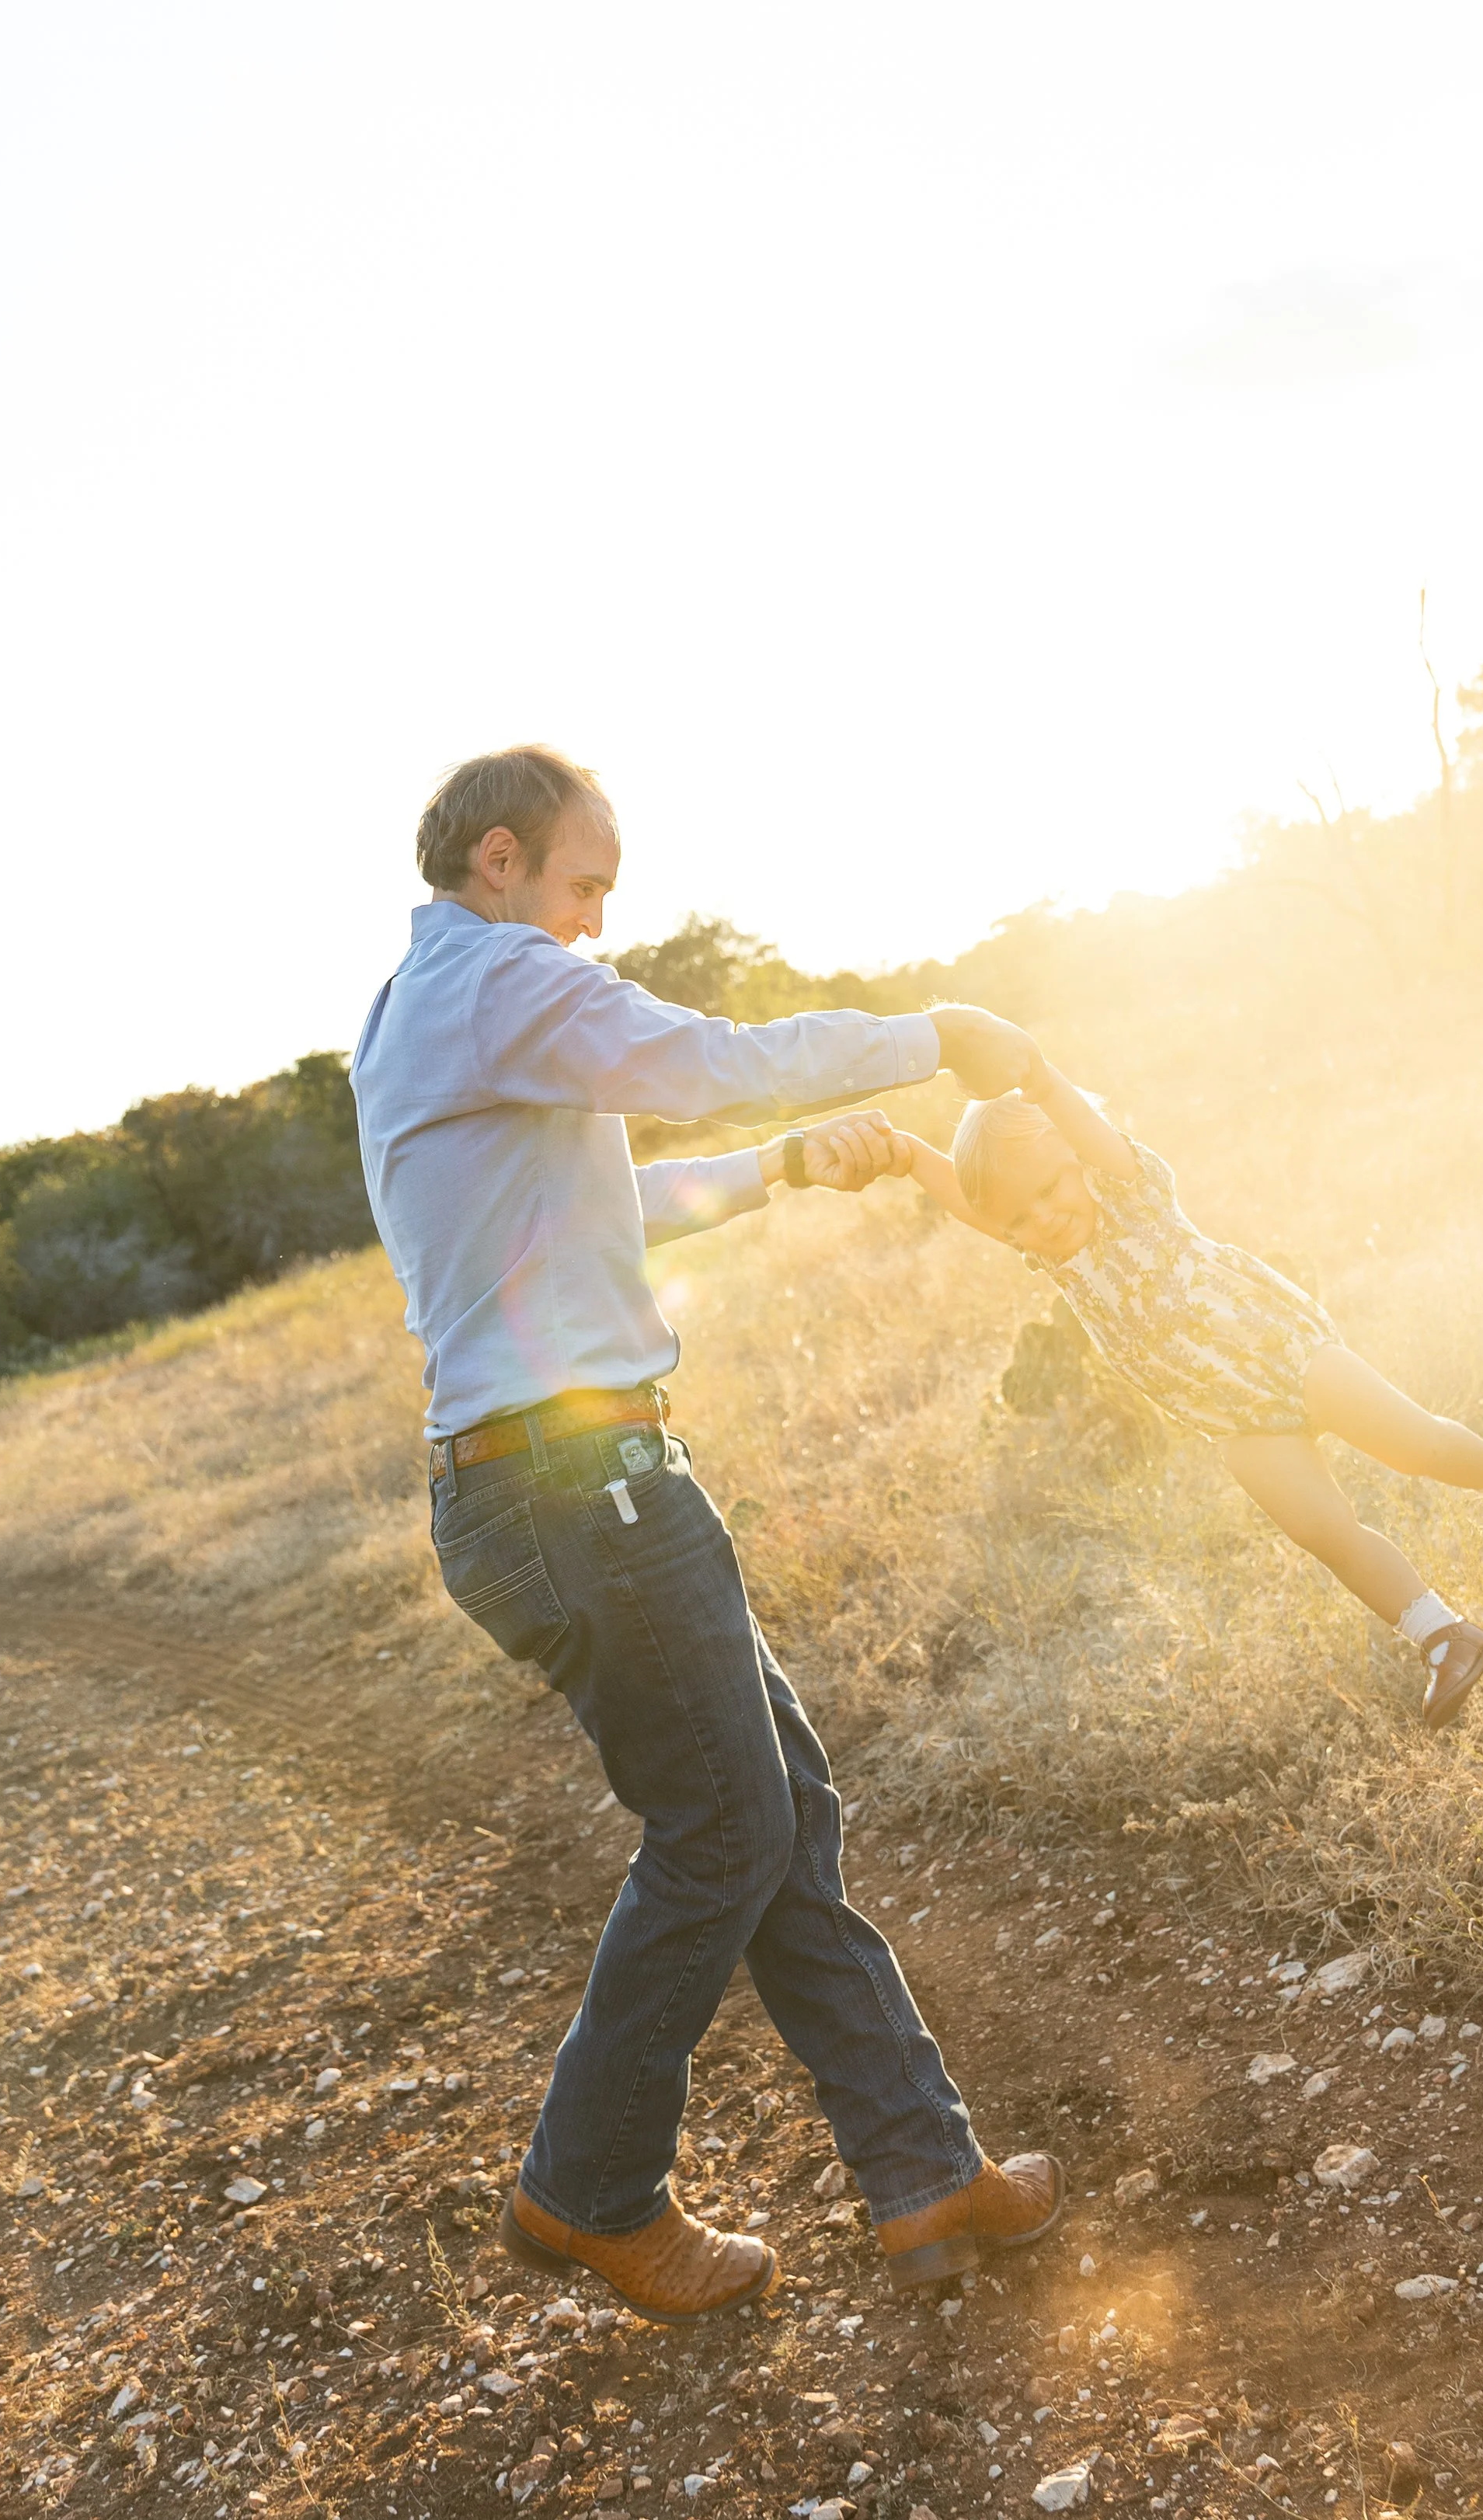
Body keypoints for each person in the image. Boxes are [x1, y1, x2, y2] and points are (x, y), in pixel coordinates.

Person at [350, 745, 1064, 2326]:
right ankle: (588, 2189)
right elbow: (709, 1059)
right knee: (728, 1830)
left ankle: (922, 2171)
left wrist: (785, 1166)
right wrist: (935, 1032)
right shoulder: (498, 979)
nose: (593, 924)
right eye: (583, 884)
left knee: (774, 1809)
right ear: (498, 859)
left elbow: (596, 1208)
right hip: (580, 1487)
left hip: (554, 1484)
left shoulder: (426, 1007)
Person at [889, 1057, 1483, 1728]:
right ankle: (1444, 1636)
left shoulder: (1126, 1191)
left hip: (1286, 1352)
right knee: (1324, 1532)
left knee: (1415, 1446)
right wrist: (909, 1155)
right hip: (1230, 1419)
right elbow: (981, 1209)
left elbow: (1076, 1128)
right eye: (1021, 1219)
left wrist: (1038, 1079)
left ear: (1075, 1156)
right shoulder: (1058, 1259)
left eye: (1048, 1190)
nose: (1040, 1218)